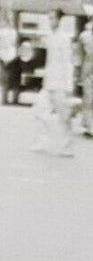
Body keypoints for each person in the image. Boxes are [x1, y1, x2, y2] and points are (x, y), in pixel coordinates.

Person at [38, 9, 76, 157]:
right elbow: (49, 61)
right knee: (40, 110)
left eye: (53, 18)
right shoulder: (50, 38)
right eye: (49, 18)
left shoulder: (64, 39)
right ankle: (42, 142)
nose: (50, 21)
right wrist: (45, 79)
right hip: (50, 82)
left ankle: (67, 146)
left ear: (59, 20)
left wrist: (68, 85)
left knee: (64, 116)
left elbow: (68, 63)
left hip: (60, 83)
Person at [0, 10, 20, 104]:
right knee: (13, 78)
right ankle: (14, 99)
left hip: (3, 55)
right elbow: (15, 44)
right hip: (11, 56)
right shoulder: (13, 32)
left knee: (4, 79)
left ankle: (4, 99)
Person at [78, 18, 93, 138]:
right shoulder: (84, 37)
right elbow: (80, 54)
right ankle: (89, 127)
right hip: (88, 71)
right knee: (88, 98)